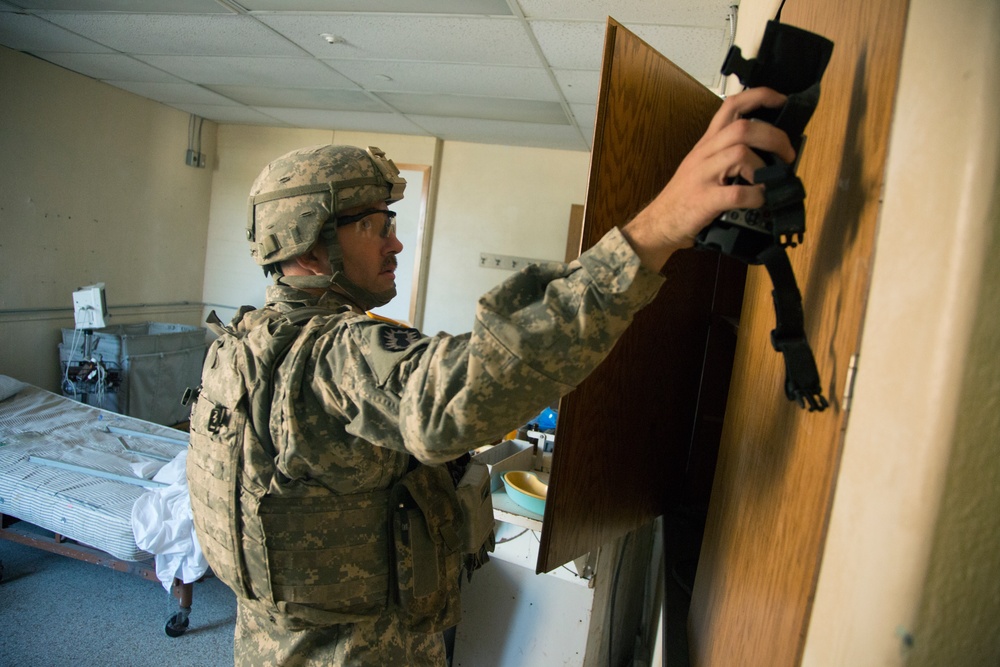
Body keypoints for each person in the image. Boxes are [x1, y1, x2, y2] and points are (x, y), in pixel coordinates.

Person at [185, 87, 795, 666]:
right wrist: (657, 230)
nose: (396, 243)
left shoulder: (243, 344)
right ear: (312, 247)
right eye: (376, 226)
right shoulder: (336, 357)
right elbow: (463, 394)